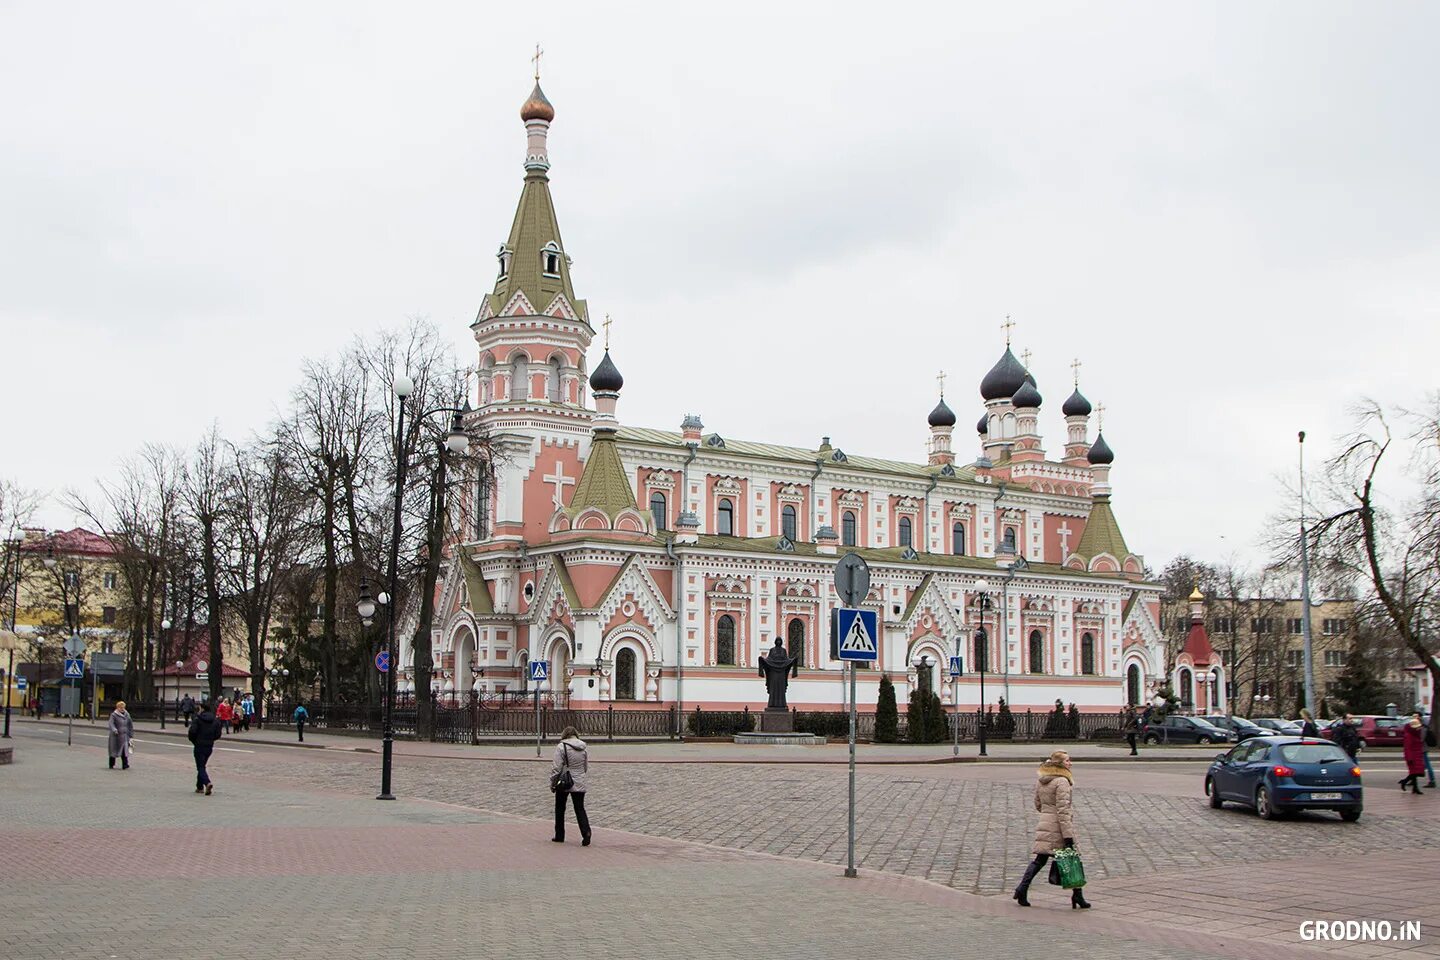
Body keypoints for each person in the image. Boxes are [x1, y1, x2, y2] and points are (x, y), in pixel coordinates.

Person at [1013, 749, 1090, 909]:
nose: (1070, 763)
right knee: (1071, 858)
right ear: (1060, 764)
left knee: (1041, 859)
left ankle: (1022, 888)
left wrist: (1048, 814)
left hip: (1045, 822)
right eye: (1068, 760)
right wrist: (1068, 836)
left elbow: (1037, 804)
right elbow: (1063, 810)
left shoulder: (1042, 780)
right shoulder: (1062, 781)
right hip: (1059, 826)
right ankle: (1078, 896)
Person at [550, 724, 591, 846]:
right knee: (579, 808)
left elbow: (556, 768)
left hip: (564, 781)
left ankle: (559, 835)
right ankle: (586, 832)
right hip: (579, 781)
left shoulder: (561, 746)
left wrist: (552, 783)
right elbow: (585, 767)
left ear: (564, 735)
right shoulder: (583, 747)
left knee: (560, 808)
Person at [187, 699, 221, 795]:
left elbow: (192, 732)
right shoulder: (215, 720)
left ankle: (207, 783)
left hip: (199, 745)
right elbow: (218, 734)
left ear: (202, 708)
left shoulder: (197, 719)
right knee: (202, 766)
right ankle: (199, 787)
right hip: (209, 746)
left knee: (200, 767)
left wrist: (194, 741)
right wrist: (211, 739)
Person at [1400, 713, 1427, 795]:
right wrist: (1410, 758)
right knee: (1414, 772)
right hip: (1412, 756)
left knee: (1416, 773)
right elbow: (1407, 748)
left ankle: (1413, 787)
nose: (1418, 729)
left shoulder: (1415, 734)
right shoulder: (1409, 736)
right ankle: (1408, 784)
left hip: (1417, 755)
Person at [107, 700, 134, 770]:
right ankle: (111, 764)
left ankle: (125, 765)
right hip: (116, 736)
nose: (122, 709)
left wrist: (131, 734)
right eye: (121, 707)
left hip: (125, 736)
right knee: (114, 750)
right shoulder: (113, 715)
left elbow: (130, 724)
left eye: (123, 707)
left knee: (124, 751)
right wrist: (114, 729)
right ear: (117, 708)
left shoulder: (127, 715)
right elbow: (111, 724)